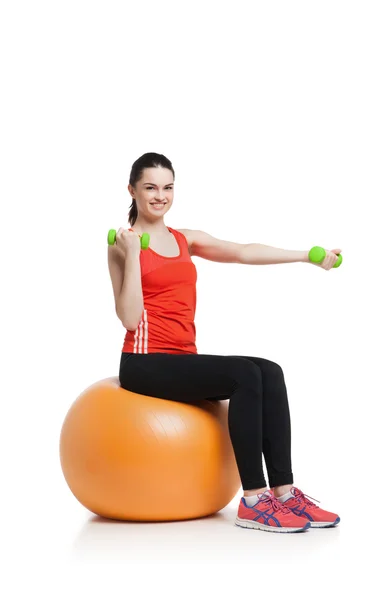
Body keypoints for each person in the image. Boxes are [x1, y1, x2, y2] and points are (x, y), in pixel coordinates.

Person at [108, 152, 341, 533]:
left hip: (181, 358)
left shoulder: (186, 239)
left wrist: (306, 257)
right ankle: (252, 500)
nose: (159, 196)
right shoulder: (122, 244)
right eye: (150, 187)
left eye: (167, 187)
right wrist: (133, 254)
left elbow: (242, 251)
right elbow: (129, 317)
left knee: (270, 370)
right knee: (243, 374)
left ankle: (284, 493)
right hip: (144, 362)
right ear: (132, 190)